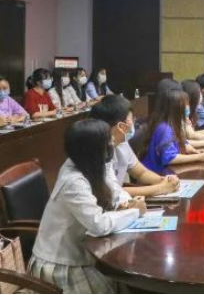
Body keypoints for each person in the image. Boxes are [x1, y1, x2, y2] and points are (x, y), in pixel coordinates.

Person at [28, 119, 144, 293]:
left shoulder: (90, 164)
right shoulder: (73, 181)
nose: (112, 143)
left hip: (83, 252)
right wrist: (134, 212)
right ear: (93, 149)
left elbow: (112, 187)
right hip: (61, 265)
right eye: (108, 141)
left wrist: (126, 204)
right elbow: (98, 224)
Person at [90, 95, 181, 197]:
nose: (134, 122)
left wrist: (164, 180)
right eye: (132, 120)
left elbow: (141, 173)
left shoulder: (122, 143)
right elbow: (112, 192)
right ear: (121, 126)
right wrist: (161, 188)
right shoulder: (94, 152)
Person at [142, 89, 204, 172]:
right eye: (186, 105)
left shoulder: (173, 124)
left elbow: (182, 143)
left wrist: (194, 151)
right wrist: (199, 157)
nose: (188, 107)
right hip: (156, 172)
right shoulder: (164, 128)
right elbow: (170, 158)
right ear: (176, 108)